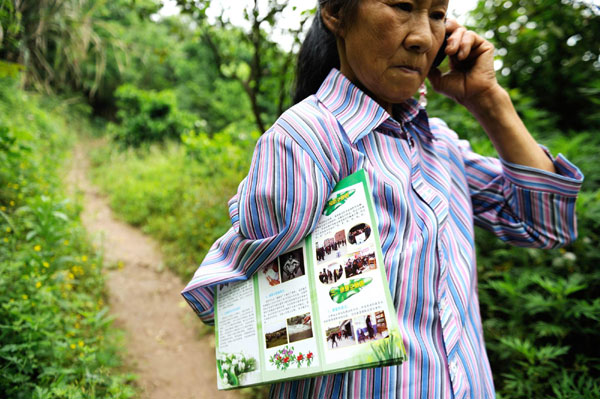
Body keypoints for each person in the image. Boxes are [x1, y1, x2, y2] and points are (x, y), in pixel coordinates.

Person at [182, 0, 583, 397]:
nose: (424, 37)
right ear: (336, 14)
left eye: (438, 15)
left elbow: (543, 226)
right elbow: (237, 298)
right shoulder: (307, 139)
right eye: (401, 6)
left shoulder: (441, 145)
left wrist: (488, 99)